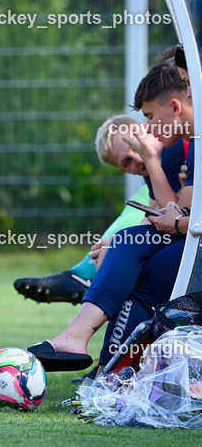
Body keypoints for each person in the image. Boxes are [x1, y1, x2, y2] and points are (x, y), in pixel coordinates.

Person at [29, 61, 193, 372]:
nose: (137, 159)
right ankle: (104, 366)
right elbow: (181, 214)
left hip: (189, 250)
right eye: (127, 161)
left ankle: (104, 366)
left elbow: (181, 220)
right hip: (184, 242)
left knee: (129, 255)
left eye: (148, 120)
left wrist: (153, 168)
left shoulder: (177, 146)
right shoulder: (189, 143)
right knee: (125, 246)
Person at [14, 113, 191, 304]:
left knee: (124, 250)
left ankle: (86, 277)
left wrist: (119, 243)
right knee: (123, 240)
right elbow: (152, 216)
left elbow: (174, 220)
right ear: (124, 171)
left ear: (144, 129)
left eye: (134, 147)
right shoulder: (151, 173)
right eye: (127, 162)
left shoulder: (174, 149)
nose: (137, 159)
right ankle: (86, 277)